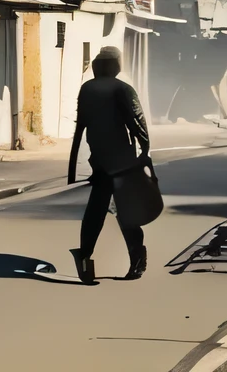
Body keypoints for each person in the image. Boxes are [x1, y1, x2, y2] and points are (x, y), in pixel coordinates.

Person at [67, 46, 151, 284]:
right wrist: (144, 152)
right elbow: (137, 122)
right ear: (117, 66)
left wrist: (75, 162)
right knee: (127, 212)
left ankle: (84, 257)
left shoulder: (87, 89)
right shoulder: (122, 89)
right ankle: (137, 261)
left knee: (95, 212)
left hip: (99, 161)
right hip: (122, 160)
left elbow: (80, 126)